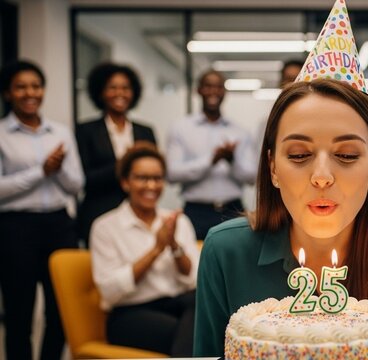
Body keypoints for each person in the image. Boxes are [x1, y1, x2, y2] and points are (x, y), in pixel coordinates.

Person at [193, 79, 368, 356]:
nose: (322, 177)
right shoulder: (225, 252)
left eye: (347, 155)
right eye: (299, 154)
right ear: (273, 168)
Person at [0, 60, 84, 360]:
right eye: (20, 87)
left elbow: (76, 185)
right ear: (8, 93)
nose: (29, 92)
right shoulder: (2, 134)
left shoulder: (59, 132)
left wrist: (57, 170)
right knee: (19, 314)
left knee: (61, 310)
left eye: (35, 86)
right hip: (15, 228)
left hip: (59, 226)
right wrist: (41, 171)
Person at [90, 143, 199, 356]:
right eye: (142, 178)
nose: (151, 186)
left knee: (204, 303)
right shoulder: (105, 227)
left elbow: (193, 279)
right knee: (197, 332)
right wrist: (156, 249)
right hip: (129, 314)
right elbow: (109, 291)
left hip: (176, 305)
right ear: (125, 182)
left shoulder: (178, 221)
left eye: (157, 178)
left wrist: (174, 245)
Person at [166, 69, 257, 240]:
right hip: (195, 212)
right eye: (208, 86)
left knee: (234, 262)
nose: (213, 91)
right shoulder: (181, 128)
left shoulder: (240, 132)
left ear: (224, 92)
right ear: (198, 90)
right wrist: (210, 161)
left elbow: (252, 177)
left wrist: (232, 161)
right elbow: (172, 174)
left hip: (233, 210)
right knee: (195, 263)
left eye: (218, 87)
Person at [76, 62, 157, 244]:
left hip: (139, 212)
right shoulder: (86, 131)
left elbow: (154, 171)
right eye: (112, 87)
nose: (120, 93)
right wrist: (125, 162)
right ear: (101, 92)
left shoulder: (145, 131)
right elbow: (85, 179)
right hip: (98, 212)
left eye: (125, 88)